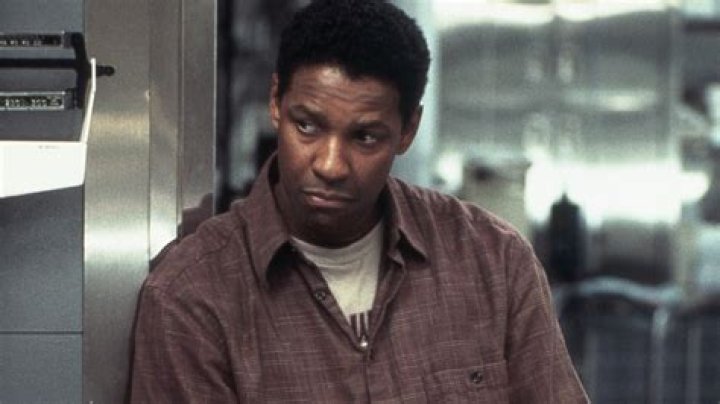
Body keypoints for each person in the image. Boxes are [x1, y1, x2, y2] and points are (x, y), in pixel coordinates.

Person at [130, 0, 589, 402]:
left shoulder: (493, 262)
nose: (331, 165)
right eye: (307, 126)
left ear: (408, 130)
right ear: (275, 102)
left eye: (365, 137)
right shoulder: (193, 298)